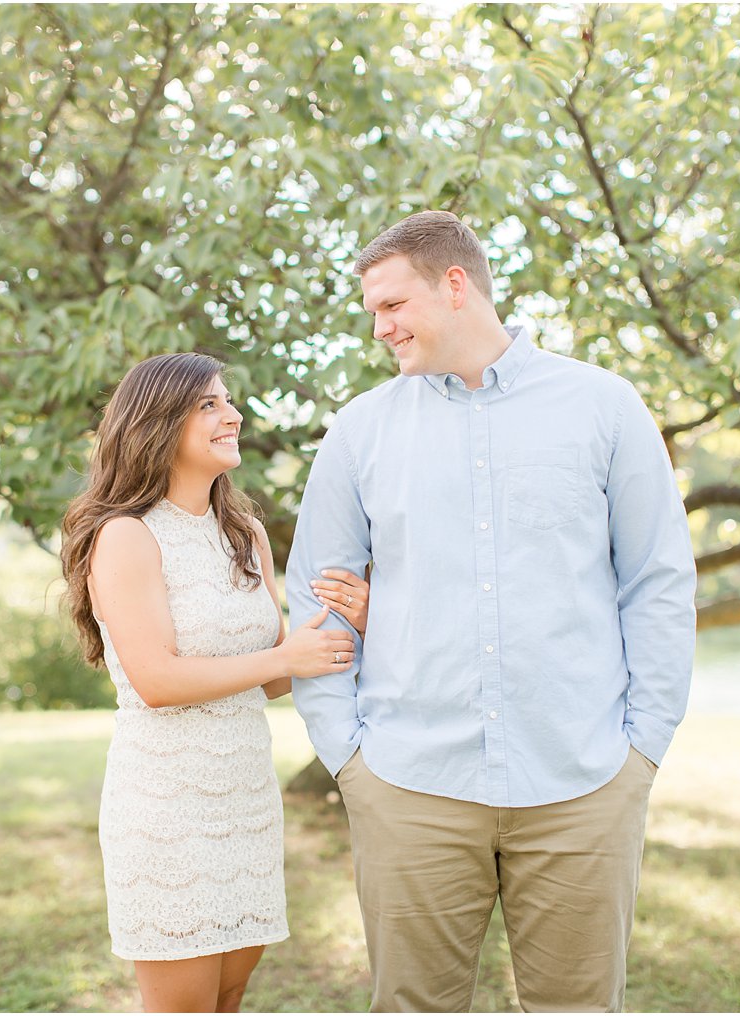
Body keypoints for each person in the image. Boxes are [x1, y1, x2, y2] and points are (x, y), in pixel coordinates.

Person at [286, 211, 696, 1012]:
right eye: (374, 312)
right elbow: (317, 594)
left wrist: (642, 748)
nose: (381, 328)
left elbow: (657, 581)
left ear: (455, 284)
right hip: (409, 784)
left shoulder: (603, 407)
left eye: (392, 306)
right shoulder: (360, 431)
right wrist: (349, 759)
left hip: (582, 782)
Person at [60, 352, 370, 1013]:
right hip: (167, 807)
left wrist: (352, 622)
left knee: (228, 999)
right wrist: (285, 659)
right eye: (209, 404)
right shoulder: (125, 536)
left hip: (246, 801)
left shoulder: (244, 532)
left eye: (227, 400)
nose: (232, 415)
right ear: (156, 424)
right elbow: (157, 679)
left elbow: (273, 675)